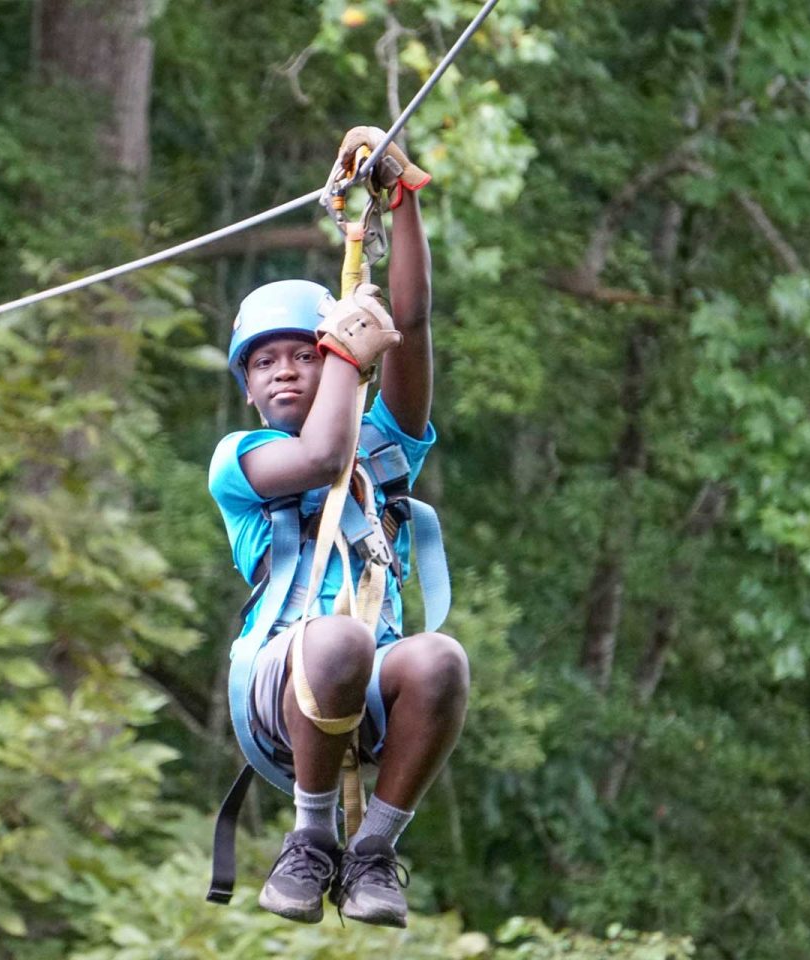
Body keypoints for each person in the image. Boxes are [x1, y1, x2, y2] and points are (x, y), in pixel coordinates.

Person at [208, 127, 469, 928]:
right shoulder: (241, 461)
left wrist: (401, 204)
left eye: (303, 355)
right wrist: (344, 361)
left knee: (439, 659)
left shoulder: (382, 455)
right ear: (249, 389)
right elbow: (322, 458)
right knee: (338, 640)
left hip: (367, 694)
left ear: (333, 363)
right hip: (275, 683)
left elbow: (413, 327)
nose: (285, 369)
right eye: (265, 362)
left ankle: (373, 851)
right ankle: (310, 838)